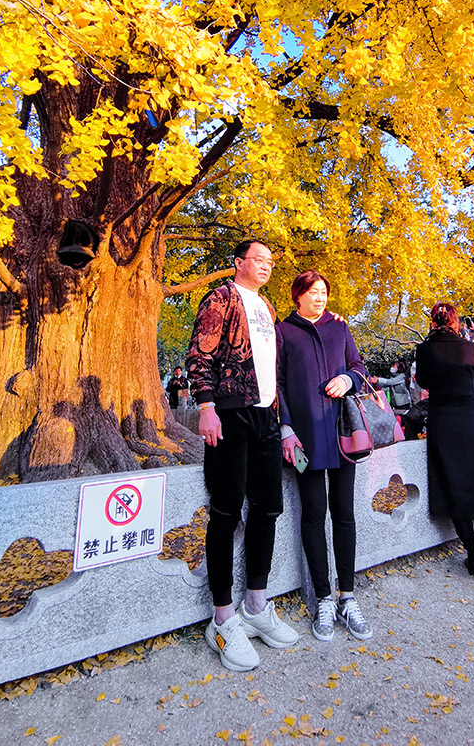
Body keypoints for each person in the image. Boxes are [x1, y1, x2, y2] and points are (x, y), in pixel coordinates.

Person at [186, 239, 298, 671]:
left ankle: (256, 603)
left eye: (271, 261)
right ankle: (222, 618)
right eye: (259, 259)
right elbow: (200, 354)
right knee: (226, 512)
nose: (266, 266)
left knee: (267, 509)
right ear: (239, 263)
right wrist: (207, 406)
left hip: (266, 417)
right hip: (230, 414)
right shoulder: (221, 298)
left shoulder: (268, 309)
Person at [277, 270, 373, 641]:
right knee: (313, 514)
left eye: (324, 292)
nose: (320, 297)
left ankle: (347, 595)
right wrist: (286, 427)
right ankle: (323, 598)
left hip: (340, 433)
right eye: (313, 292)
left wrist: (348, 379)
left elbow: (359, 367)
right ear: (297, 295)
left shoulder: (339, 328)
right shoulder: (284, 332)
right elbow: (279, 384)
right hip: (305, 436)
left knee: (344, 513)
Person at [415, 302, 474, 578]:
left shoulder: (424, 349)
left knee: (451, 480)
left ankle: (470, 548)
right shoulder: (470, 348)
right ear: (456, 321)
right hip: (470, 415)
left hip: (442, 417)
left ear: (432, 322)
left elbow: (423, 382)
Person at [371, 361, 415, 439]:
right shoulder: (392, 376)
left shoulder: (401, 376)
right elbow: (386, 385)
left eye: (394, 366)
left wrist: (378, 380)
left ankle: (407, 434)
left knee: (404, 419)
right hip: (395, 404)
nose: (392, 367)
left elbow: (391, 382)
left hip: (403, 403)